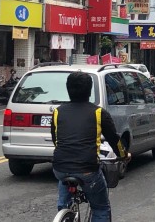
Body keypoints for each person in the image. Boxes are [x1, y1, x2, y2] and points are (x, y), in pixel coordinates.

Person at [51, 72, 129, 222]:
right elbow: (114, 140)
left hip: (59, 168)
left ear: (68, 89)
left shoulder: (57, 112)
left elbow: (57, 141)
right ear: (89, 90)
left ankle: (63, 211)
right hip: (87, 169)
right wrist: (124, 155)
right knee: (101, 207)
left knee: (64, 182)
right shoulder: (99, 113)